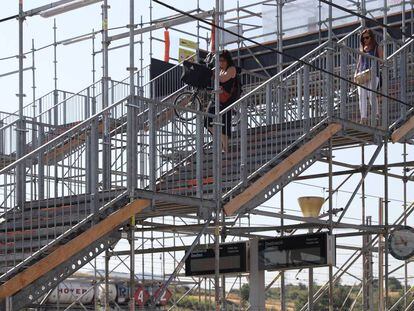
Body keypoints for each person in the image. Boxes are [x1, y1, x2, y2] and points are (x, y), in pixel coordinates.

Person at [205, 50, 240, 152]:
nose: (221, 63)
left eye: (223, 60)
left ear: (227, 60)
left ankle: (225, 148)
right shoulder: (219, 70)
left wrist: (212, 73)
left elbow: (223, 79)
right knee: (207, 120)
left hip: (227, 99)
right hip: (217, 97)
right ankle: (219, 141)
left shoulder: (231, 69)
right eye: (219, 61)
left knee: (225, 124)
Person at [355, 28, 383, 125]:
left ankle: (376, 114)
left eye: (367, 38)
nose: (365, 40)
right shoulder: (362, 49)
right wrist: (356, 73)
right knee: (361, 95)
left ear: (371, 37)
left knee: (371, 94)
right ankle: (363, 117)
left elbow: (382, 60)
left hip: (373, 73)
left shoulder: (376, 47)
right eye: (363, 39)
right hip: (362, 74)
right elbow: (359, 63)